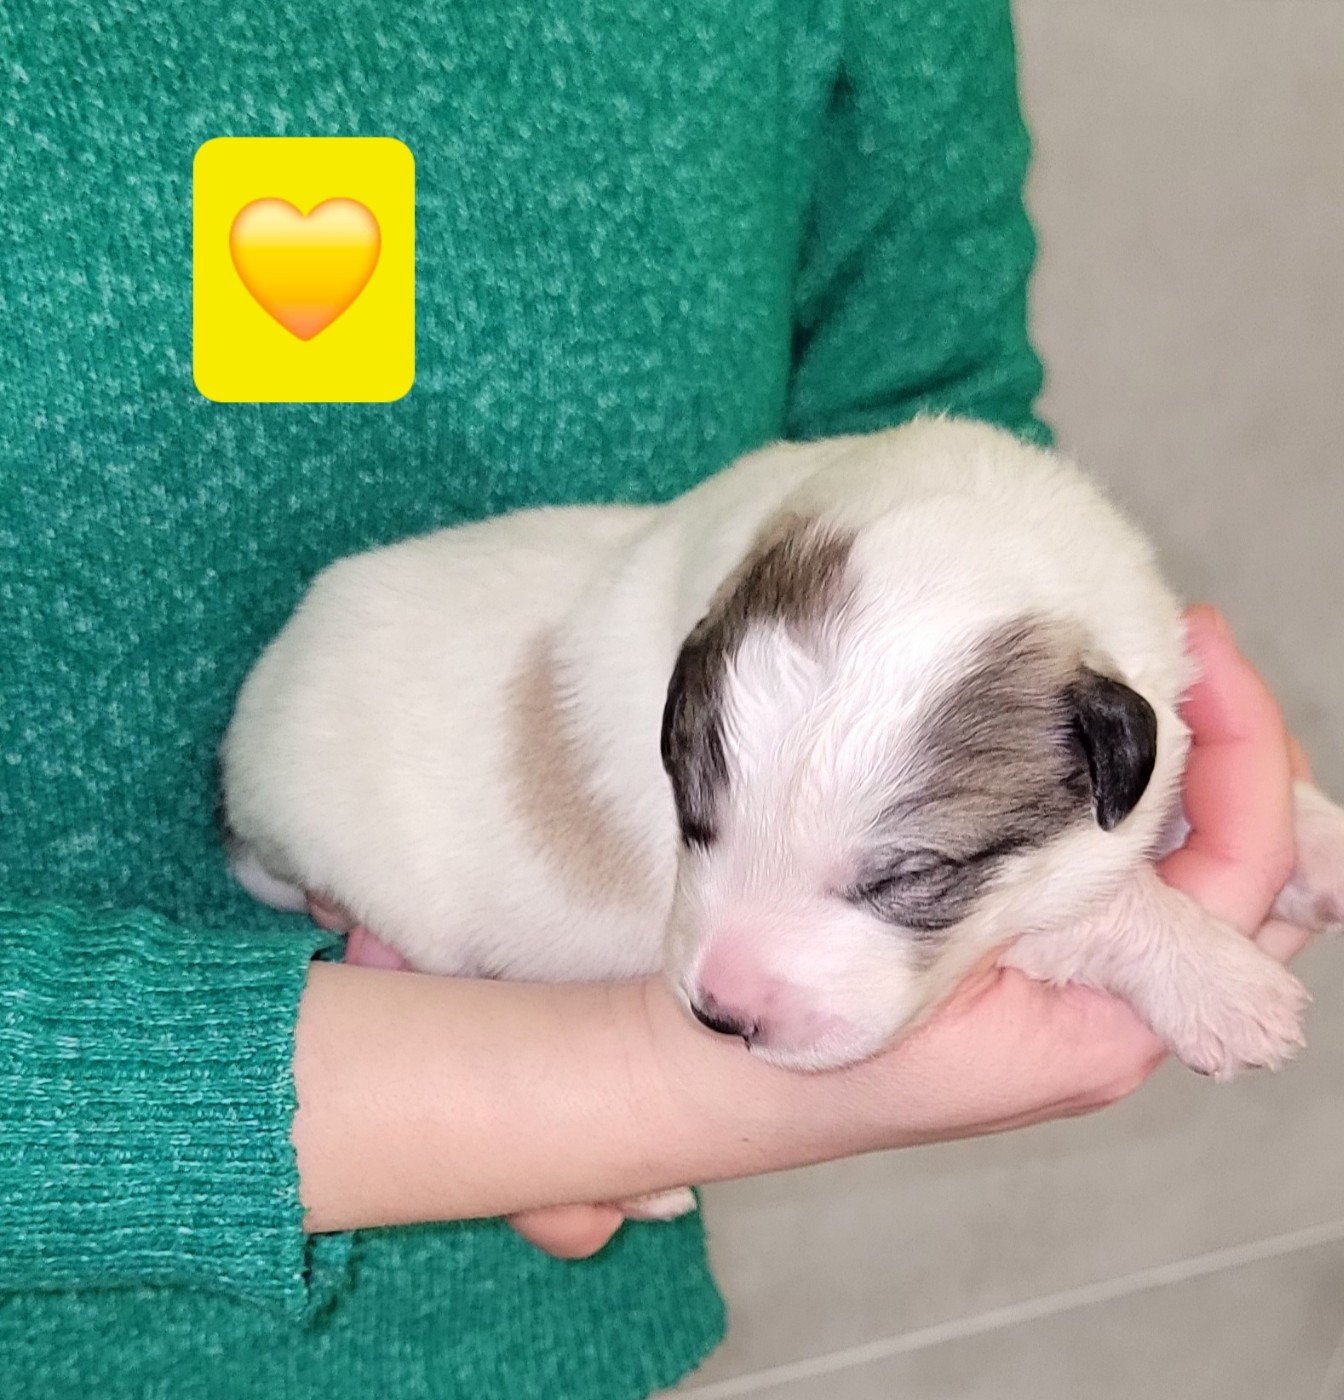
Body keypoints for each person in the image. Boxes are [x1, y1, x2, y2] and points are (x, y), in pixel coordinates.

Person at [0, 0, 1312, 1395]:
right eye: (704, 819)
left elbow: (942, 445)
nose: (728, 976)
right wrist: (599, 1092)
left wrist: (1191, 816)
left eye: (894, 881)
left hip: (559, 1340)